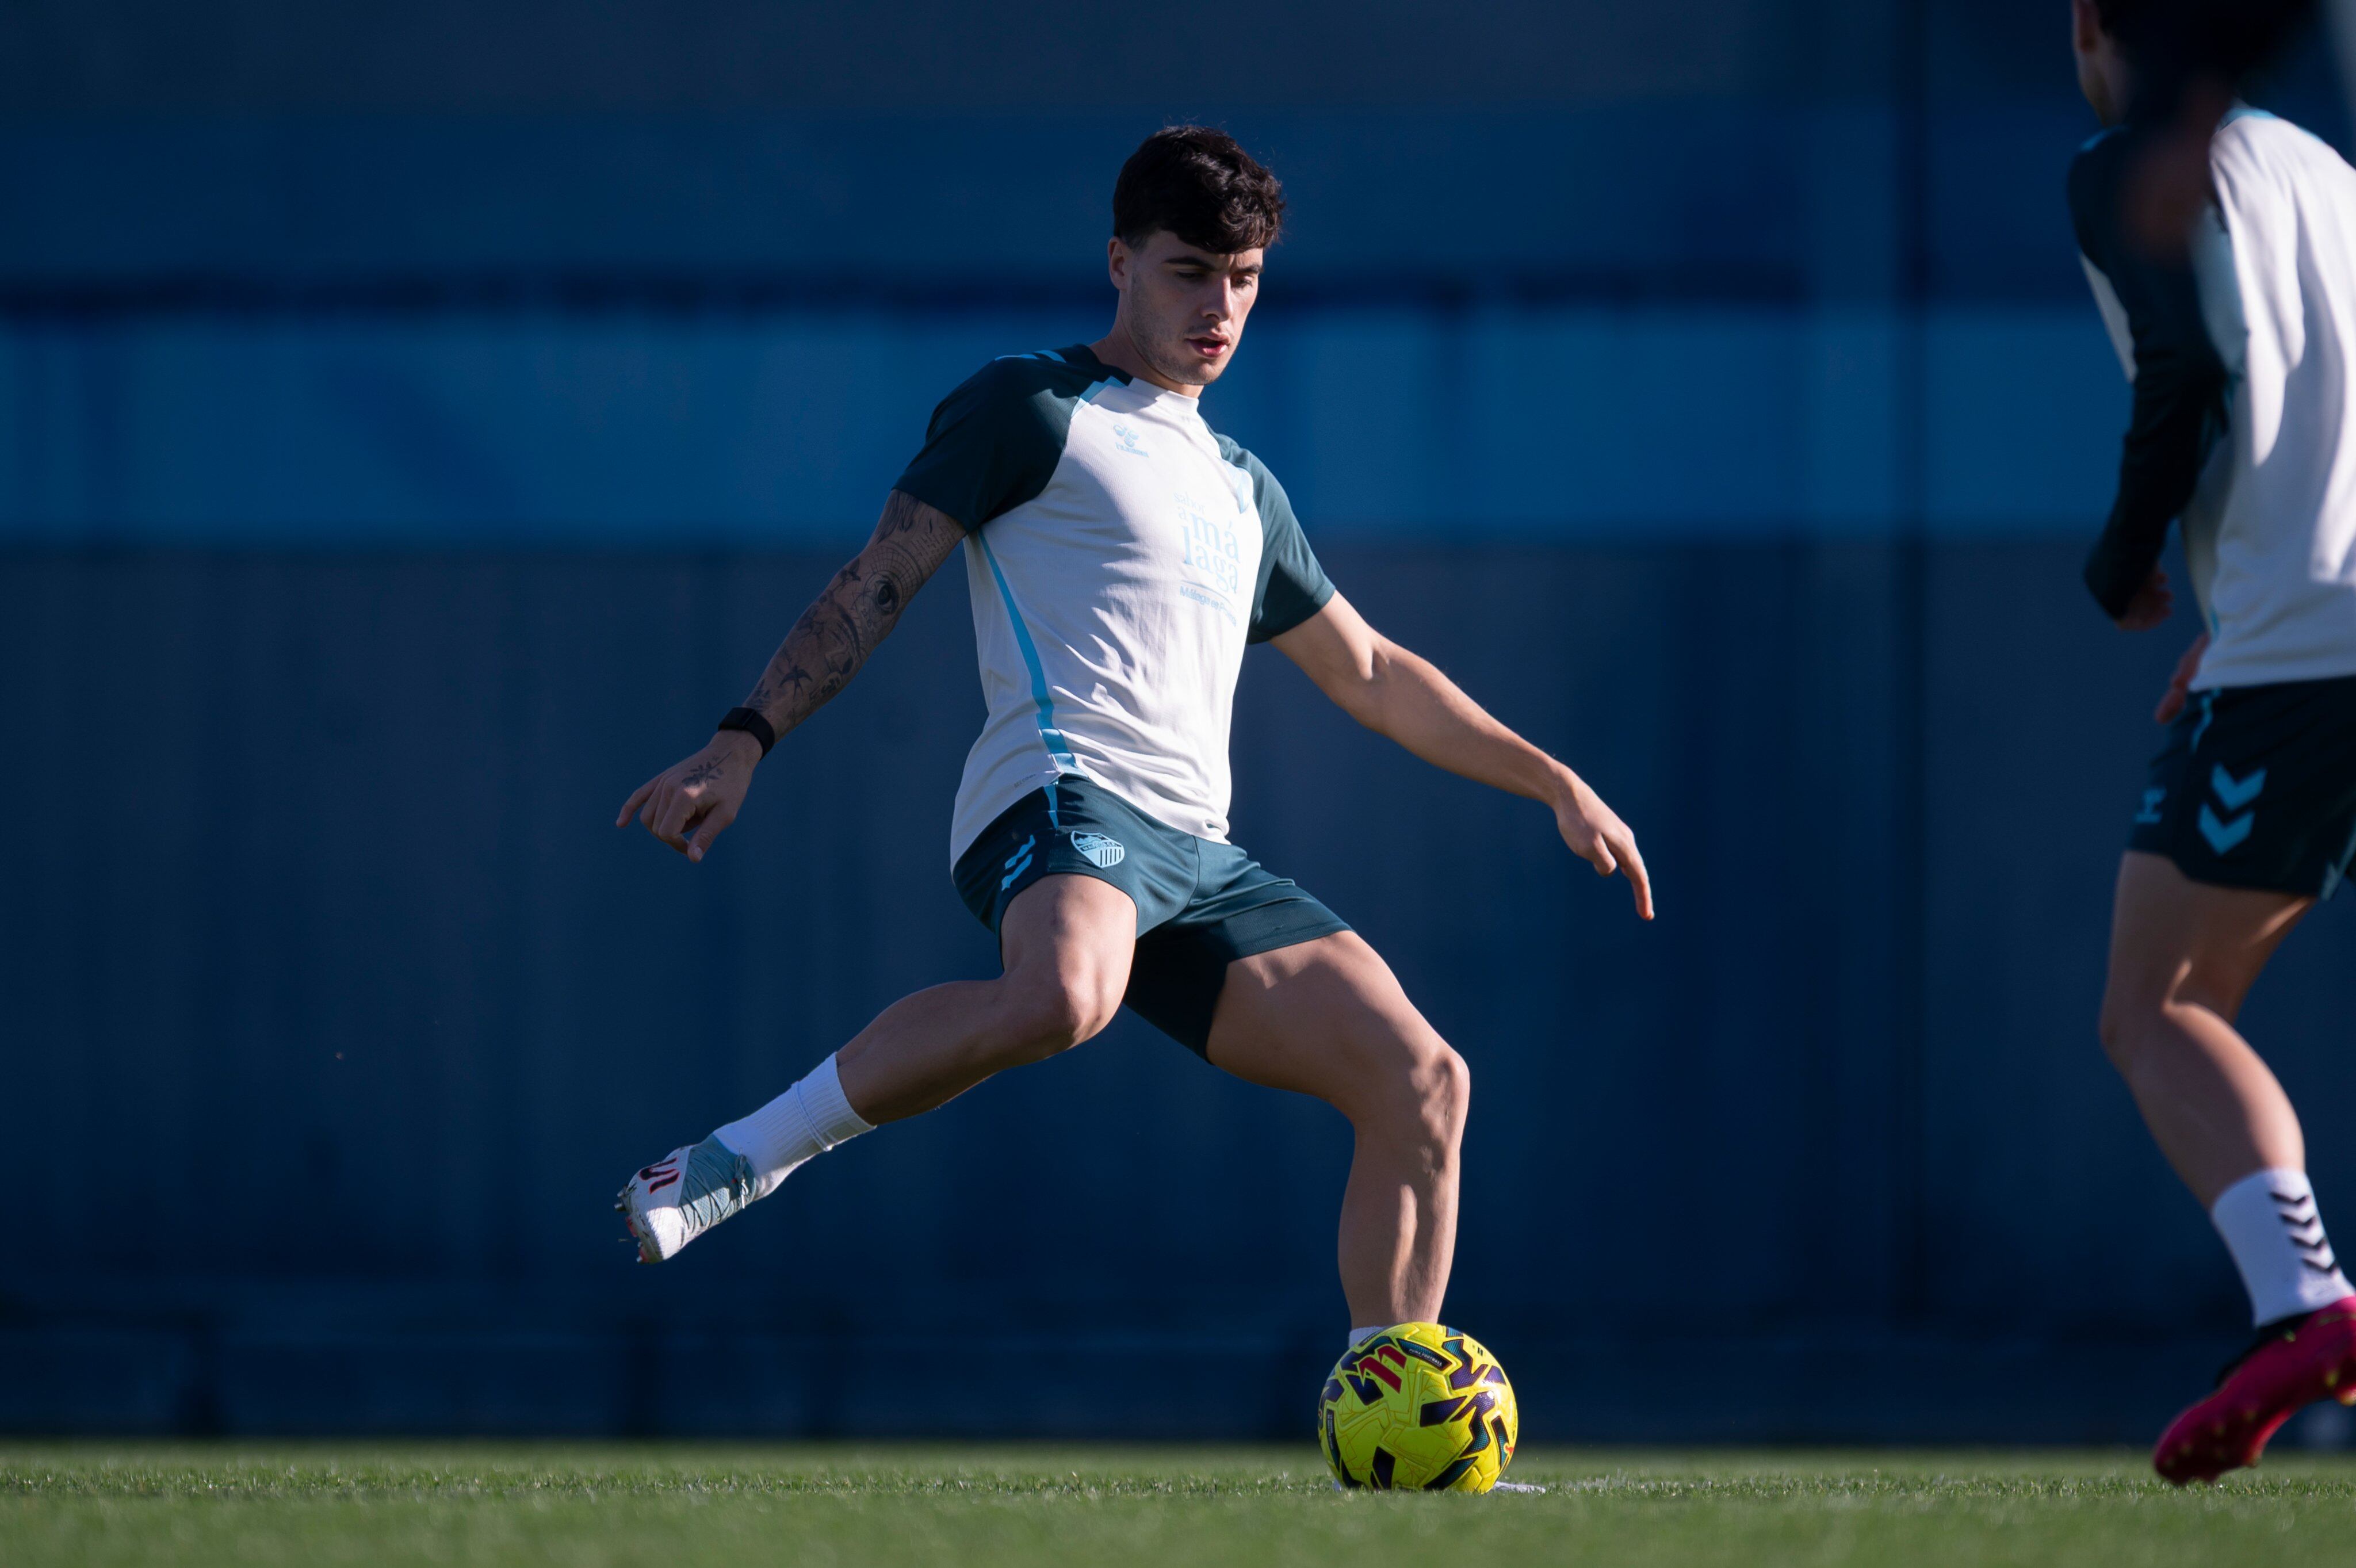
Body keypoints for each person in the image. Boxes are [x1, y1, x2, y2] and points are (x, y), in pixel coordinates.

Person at [610, 127, 1653, 1349]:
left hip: (1196, 861)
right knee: (1062, 995)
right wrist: (746, 736)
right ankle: (736, 1160)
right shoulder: (1030, 407)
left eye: (1245, 278)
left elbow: (1368, 671)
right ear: (1118, 262)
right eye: (1188, 271)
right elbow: (872, 584)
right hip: (1059, 797)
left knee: (1422, 1080)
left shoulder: (1240, 485)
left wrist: (1553, 780)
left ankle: (1393, 1396)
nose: (1220, 306)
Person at [2070, 0, 2356, 1484]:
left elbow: (2179, 378)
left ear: (2089, 27)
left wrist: (2126, 566)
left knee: (2156, 1001)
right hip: (2293, 630)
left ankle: (2305, 1307)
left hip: (2306, 653)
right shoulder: (2328, 170)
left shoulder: (2127, 164)